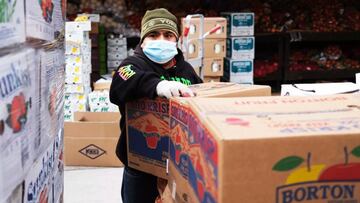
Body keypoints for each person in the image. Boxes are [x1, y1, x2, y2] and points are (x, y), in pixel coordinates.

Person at [109, 8, 203, 203]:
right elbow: (120, 83)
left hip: (179, 164)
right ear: (143, 40)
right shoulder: (132, 64)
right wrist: (158, 85)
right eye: (153, 35)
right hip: (141, 167)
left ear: (176, 41)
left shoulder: (187, 70)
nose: (161, 40)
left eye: (168, 35)